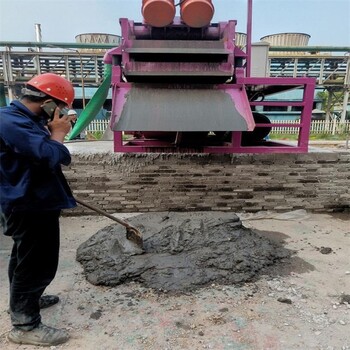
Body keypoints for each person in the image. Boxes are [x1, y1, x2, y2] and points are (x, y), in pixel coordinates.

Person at [0, 73, 77, 346]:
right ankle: (24, 325)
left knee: (25, 259)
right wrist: (57, 134)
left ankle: (26, 300)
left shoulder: (26, 121)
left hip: (34, 201)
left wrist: (51, 132)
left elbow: (52, 154)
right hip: (28, 205)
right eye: (60, 108)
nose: (61, 114)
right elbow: (54, 156)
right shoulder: (11, 122)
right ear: (47, 103)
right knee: (36, 264)